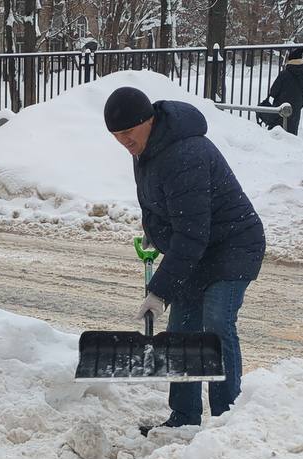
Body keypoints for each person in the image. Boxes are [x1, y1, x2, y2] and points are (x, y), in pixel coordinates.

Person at [103, 86, 266, 435]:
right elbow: (158, 201)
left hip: (233, 244)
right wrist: (154, 229)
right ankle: (184, 417)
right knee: (182, 332)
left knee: (217, 323)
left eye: (128, 133)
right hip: (198, 250)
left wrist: (158, 292)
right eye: (117, 136)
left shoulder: (185, 153)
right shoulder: (146, 148)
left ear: (148, 120)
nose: (123, 142)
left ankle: (225, 421)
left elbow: (193, 234)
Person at [263, 47, 303, 135]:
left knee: (277, 133)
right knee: (292, 131)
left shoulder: (284, 74)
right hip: (296, 107)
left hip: (281, 107)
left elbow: (273, 91)